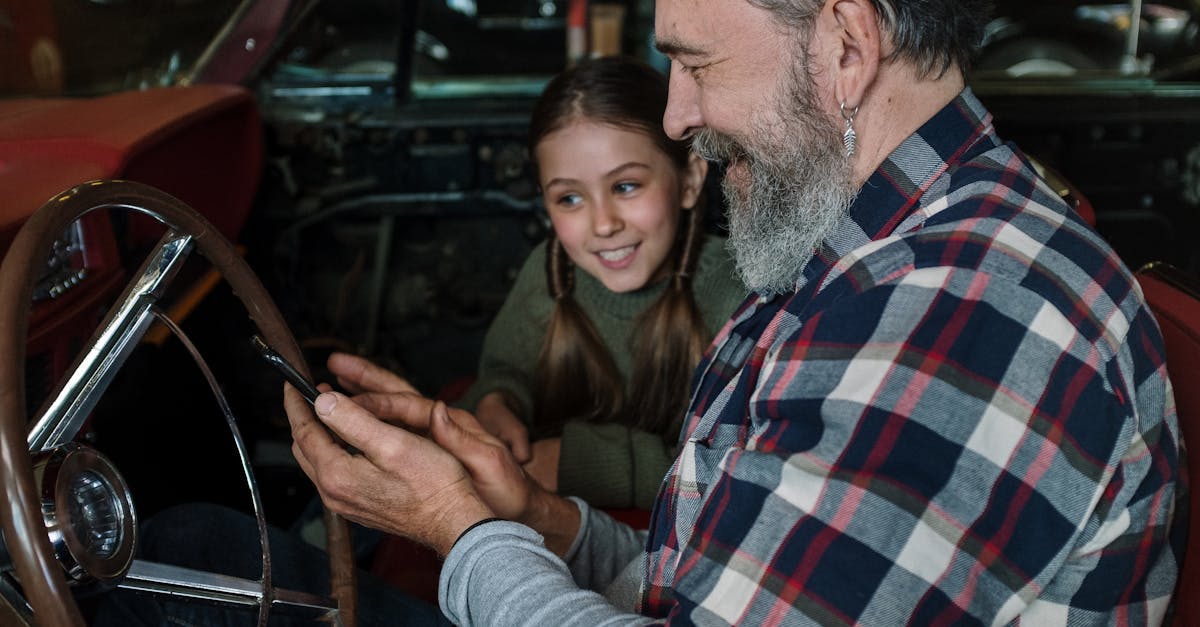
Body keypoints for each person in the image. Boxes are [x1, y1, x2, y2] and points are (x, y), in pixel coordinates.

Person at [297, 0, 1184, 624]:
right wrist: (536, 516)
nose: (677, 115)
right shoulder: (863, 250)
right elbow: (724, 573)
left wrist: (464, 531)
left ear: (846, 44)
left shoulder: (967, 313)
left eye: (694, 62)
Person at [454, 55, 744, 510]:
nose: (603, 224)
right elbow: (506, 371)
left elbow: (735, 469)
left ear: (689, 178)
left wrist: (575, 461)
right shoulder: (549, 275)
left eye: (626, 186)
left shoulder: (739, 295)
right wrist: (497, 401)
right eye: (569, 198)